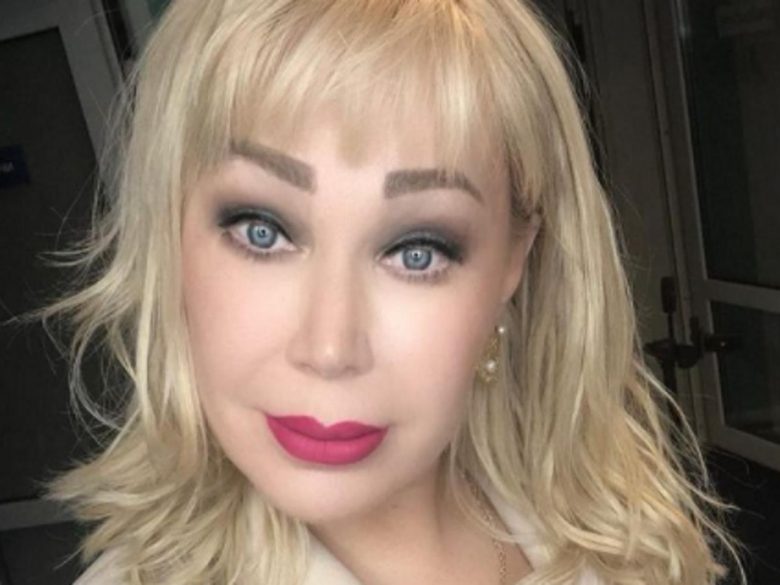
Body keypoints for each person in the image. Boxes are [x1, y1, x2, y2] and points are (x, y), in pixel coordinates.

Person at [40, 1, 745, 584]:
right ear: (170, 231)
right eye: (262, 230)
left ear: (513, 261)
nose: (329, 348)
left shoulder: (621, 539)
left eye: (417, 251)